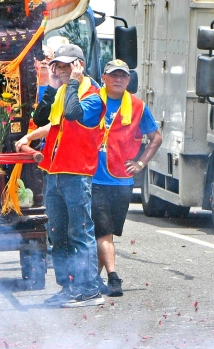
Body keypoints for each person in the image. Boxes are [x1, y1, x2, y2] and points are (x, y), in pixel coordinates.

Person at [16, 43, 105, 307]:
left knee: (79, 231)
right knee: (57, 234)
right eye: (58, 65)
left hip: (76, 173)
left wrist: (73, 82)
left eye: (67, 66)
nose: (61, 70)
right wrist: (31, 135)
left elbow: (73, 114)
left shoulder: (93, 95)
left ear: (79, 66)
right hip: (54, 171)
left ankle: (88, 289)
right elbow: (47, 120)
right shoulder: (64, 91)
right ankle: (69, 287)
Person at [91, 59, 161, 297]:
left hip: (122, 180)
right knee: (103, 231)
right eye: (113, 75)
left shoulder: (138, 106)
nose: (118, 79)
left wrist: (141, 163)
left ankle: (94, 279)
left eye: (123, 75)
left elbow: (156, 138)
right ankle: (113, 277)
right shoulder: (93, 100)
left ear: (129, 80)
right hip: (94, 178)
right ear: (104, 78)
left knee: (107, 232)